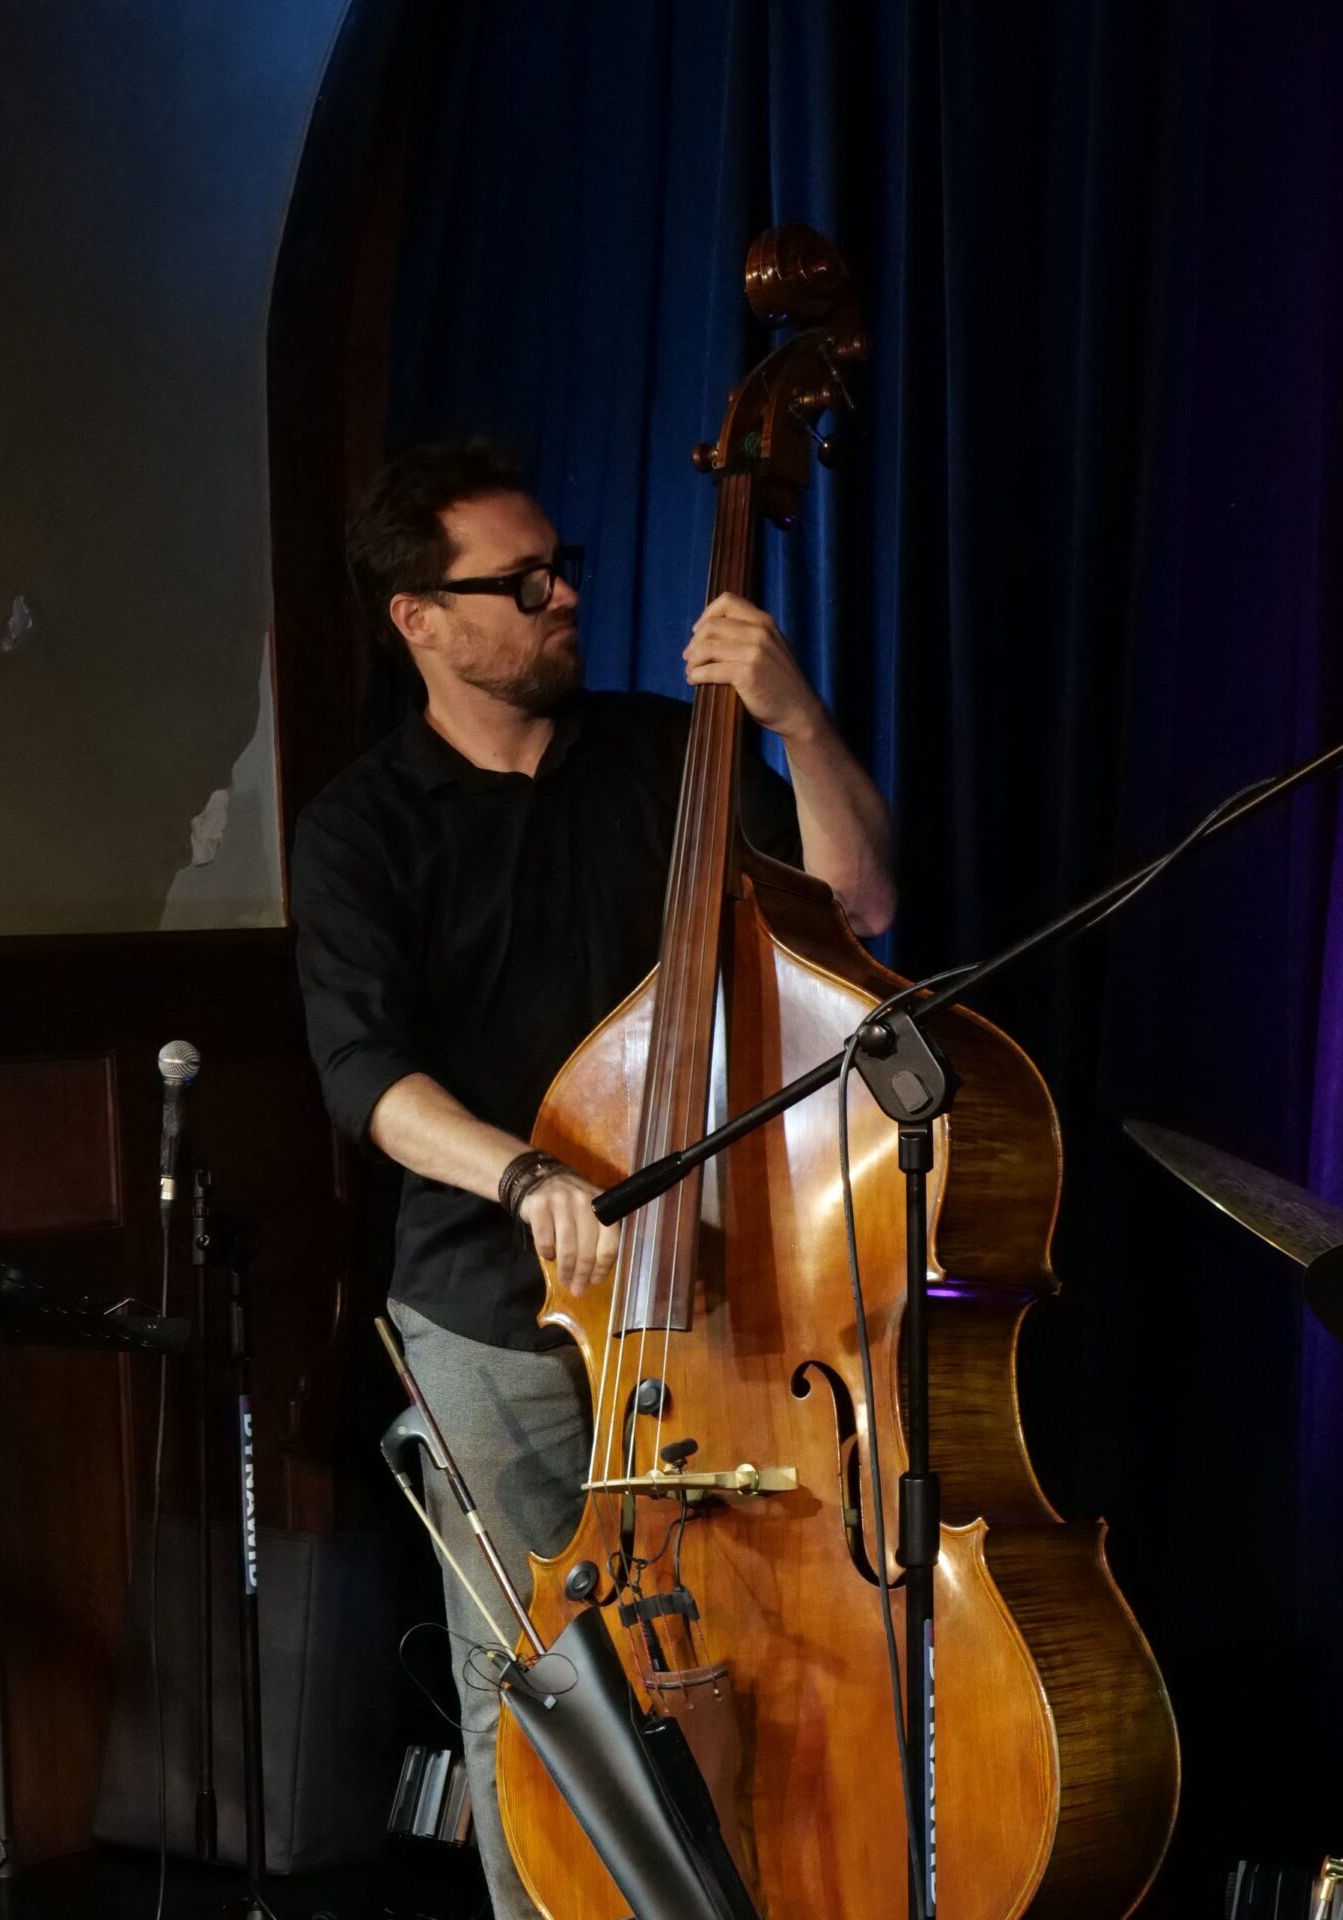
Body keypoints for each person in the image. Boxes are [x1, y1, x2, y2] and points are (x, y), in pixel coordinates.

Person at [291, 440, 896, 1919]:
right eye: (521, 583)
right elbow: (368, 1078)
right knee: (541, 1686)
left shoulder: (662, 754)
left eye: (562, 567)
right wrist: (523, 1176)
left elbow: (859, 908)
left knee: (758, 1657)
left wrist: (799, 720)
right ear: (419, 620)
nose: (563, 596)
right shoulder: (362, 827)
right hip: (494, 1313)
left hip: (713, 1289)